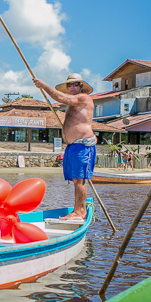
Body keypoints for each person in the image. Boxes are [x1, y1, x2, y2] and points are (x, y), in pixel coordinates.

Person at [33, 72, 95, 222]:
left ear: (81, 87)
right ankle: (77, 209)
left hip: (82, 145)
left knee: (79, 179)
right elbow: (64, 100)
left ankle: (79, 212)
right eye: (69, 85)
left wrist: (43, 85)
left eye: (76, 84)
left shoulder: (83, 98)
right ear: (67, 87)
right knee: (75, 179)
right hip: (73, 146)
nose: (72, 87)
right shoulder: (71, 104)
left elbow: (61, 98)